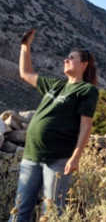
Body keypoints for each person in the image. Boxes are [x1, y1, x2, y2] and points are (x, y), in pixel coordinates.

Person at [11, 29, 99, 221]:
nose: (66, 60)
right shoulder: (55, 85)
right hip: (31, 155)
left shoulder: (87, 90)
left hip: (58, 158)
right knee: (20, 210)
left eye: (71, 57)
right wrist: (25, 47)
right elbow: (25, 73)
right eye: (66, 57)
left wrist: (76, 157)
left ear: (83, 64)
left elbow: (86, 126)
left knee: (52, 213)